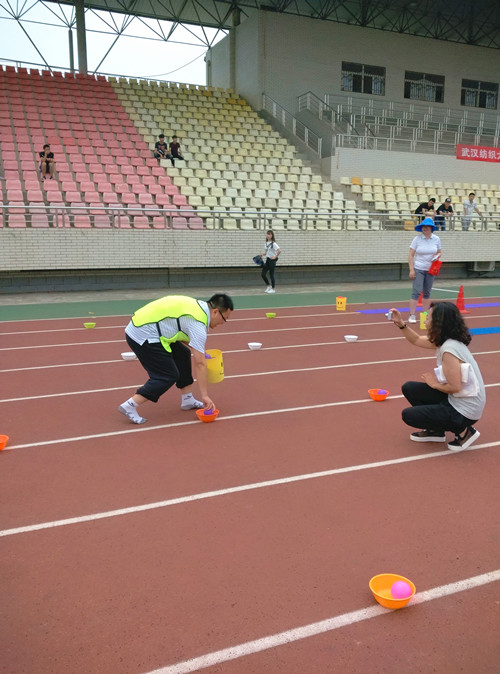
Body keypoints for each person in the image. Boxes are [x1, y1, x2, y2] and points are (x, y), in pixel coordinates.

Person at [118, 293, 234, 424]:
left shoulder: (199, 308)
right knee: (167, 375)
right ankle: (130, 405)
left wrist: (199, 350)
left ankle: (187, 399)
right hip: (143, 334)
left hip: (145, 325)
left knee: (182, 354)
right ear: (216, 312)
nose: (223, 322)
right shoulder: (198, 323)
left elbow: (181, 331)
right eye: (225, 318)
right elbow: (200, 363)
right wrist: (205, 396)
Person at [388, 302, 485, 451]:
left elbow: (455, 387)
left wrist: (434, 384)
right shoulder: (446, 340)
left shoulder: (449, 350)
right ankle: (435, 430)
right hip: (458, 399)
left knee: (409, 415)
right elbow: (416, 340)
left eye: (429, 317)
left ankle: (464, 432)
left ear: (439, 323)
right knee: (410, 388)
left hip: (465, 411)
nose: (425, 320)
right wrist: (401, 324)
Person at [407, 217, 442, 323]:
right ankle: (412, 315)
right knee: (416, 292)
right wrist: (411, 269)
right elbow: (411, 255)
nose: (424, 228)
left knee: (427, 292)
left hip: (431, 269)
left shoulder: (436, 239)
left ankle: (425, 314)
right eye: (423, 226)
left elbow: (439, 252)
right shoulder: (417, 239)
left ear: (431, 228)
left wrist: (437, 256)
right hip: (419, 268)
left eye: (427, 227)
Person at [260, 229, 281, 294]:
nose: (268, 235)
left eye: (270, 234)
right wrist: (262, 254)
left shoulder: (274, 243)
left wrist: (275, 257)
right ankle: (269, 286)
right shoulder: (266, 243)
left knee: (271, 274)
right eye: (267, 234)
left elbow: (279, 250)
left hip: (272, 260)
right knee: (263, 274)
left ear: (272, 235)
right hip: (267, 260)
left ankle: (273, 289)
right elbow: (267, 252)